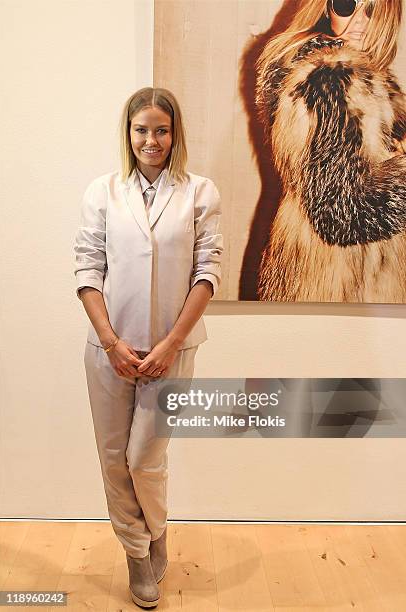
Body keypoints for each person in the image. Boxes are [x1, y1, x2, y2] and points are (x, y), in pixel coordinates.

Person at [74, 87, 223, 608]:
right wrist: (112, 343)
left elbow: (207, 274)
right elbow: (88, 271)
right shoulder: (103, 191)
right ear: (128, 133)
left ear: (174, 133)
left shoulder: (200, 193)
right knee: (115, 459)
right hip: (109, 351)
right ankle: (138, 555)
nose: (151, 140)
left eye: (161, 130)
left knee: (145, 457)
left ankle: (156, 532)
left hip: (172, 351)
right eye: (142, 130)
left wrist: (170, 344)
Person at [255, 0, 406, 302]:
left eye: (372, 9)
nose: (360, 21)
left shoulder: (314, 71)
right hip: (346, 283)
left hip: (316, 271)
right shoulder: (331, 76)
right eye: (346, 5)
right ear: (325, 8)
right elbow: (343, 213)